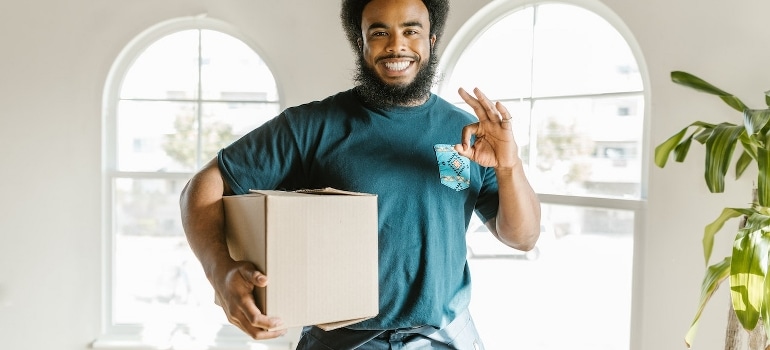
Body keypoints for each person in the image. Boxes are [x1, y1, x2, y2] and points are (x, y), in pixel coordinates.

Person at [179, 0, 542, 348]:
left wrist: (509, 167)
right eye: (380, 32)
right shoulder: (310, 127)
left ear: (431, 41)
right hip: (342, 341)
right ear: (361, 42)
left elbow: (522, 238)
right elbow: (203, 186)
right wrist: (221, 273)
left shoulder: (469, 133)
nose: (397, 45)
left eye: (411, 31)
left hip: (446, 337)